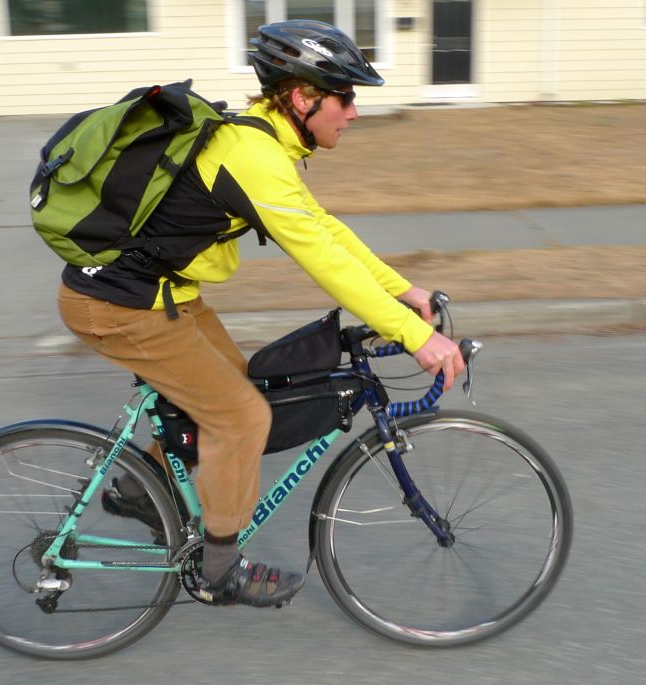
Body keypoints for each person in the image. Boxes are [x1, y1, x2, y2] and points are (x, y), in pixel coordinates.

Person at [57, 19, 465, 608]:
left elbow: (325, 231)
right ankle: (219, 571)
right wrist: (417, 338)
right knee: (242, 419)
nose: (352, 112)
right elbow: (321, 259)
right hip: (118, 305)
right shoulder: (252, 155)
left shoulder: (265, 144)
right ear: (302, 97)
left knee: (231, 394)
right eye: (344, 97)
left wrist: (403, 291)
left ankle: (139, 490)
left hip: (162, 295)